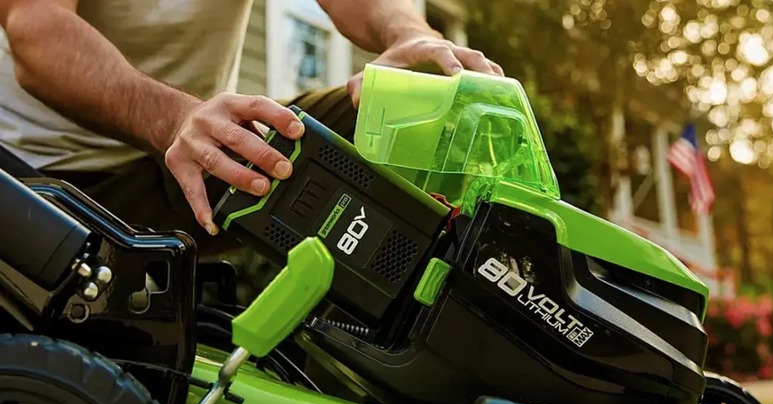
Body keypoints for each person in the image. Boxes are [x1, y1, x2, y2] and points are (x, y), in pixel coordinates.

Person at [0, 0, 503, 254]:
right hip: (47, 178)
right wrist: (176, 120)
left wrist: (412, 34)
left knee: (405, 118)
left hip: (195, 150)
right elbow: (36, 29)